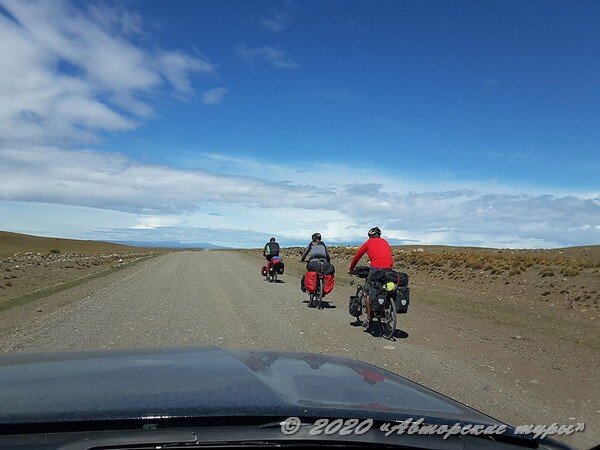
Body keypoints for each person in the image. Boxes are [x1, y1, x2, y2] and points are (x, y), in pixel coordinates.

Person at [348, 227, 394, 331]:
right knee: (385, 288)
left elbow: (357, 257)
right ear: (379, 235)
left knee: (366, 292)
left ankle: (369, 319)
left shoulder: (368, 243)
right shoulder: (385, 242)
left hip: (376, 271)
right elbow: (390, 258)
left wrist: (351, 268)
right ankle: (386, 307)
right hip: (389, 271)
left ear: (370, 236)